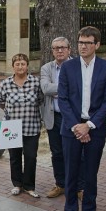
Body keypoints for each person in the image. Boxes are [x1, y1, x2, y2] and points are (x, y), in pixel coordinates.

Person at [58, 26, 106, 211]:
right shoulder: (68, 67)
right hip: (71, 128)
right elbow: (62, 99)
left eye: (87, 43)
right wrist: (76, 126)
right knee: (71, 174)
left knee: (91, 175)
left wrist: (89, 125)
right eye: (80, 42)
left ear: (97, 45)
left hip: (95, 129)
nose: (83, 46)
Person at [0, 53, 43, 198]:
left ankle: (29, 186)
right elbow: (0, 102)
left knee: (30, 157)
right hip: (11, 128)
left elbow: (41, 100)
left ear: (27, 66)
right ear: (13, 66)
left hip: (32, 126)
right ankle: (17, 184)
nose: (20, 67)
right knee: (14, 157)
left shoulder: (36, 82)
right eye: (17, 64)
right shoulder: (5, 83)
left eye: (23, 64)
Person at [40, 37, 71, 198]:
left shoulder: (77, 66)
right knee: (57, 152)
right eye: (56, 48)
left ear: (69, 49)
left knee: (74, 152)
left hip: (72, 117)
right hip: (54, 116)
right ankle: (60, 184)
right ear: (52, 51)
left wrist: (57, 90)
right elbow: (45, 88)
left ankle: (77, 186)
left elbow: (78, 88)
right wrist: (67, 88)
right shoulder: (46, 68)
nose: (59, 50)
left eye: (62, 47)